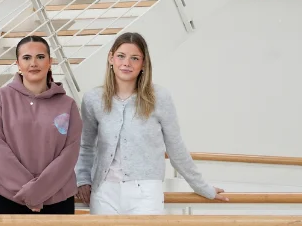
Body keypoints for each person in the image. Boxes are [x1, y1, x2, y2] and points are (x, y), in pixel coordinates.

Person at [75, 32, 229, 215]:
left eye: (135, 58)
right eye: (121, 56)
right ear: (111, 58)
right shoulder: (93, 99)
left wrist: (202, 187)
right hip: (104, 192)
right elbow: (86, 145)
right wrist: (82, 179)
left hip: (146, 192)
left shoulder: (160, 98)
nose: (126, 63)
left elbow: (175, 147)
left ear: (143, 64)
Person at [0, 36, 81, 214]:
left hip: (57, 198)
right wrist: (31, 193)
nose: (33, 63)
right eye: (27, 58)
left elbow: (70, 154)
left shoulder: (68, 105)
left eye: (40, 57)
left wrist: (38, 191)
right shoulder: (0, 99)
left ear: (50, 62)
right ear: (18, 64)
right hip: (4, 197)